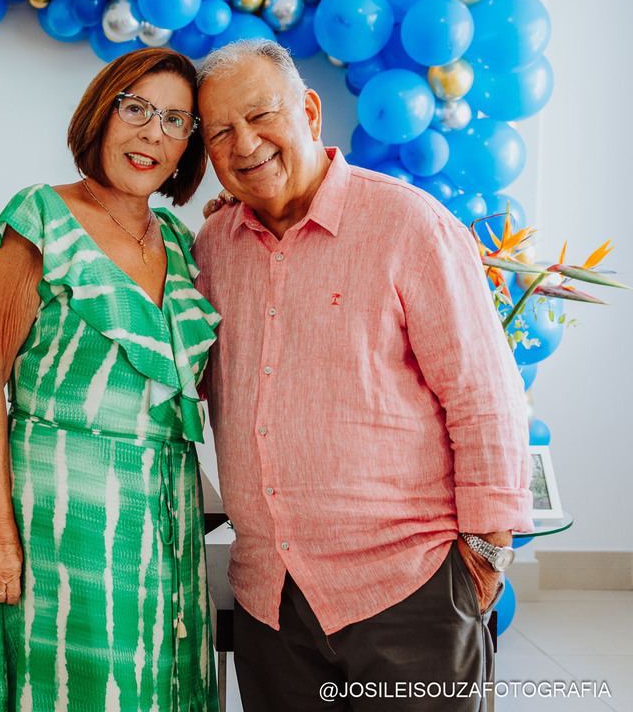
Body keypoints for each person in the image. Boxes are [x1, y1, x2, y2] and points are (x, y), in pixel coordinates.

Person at [192, 39, 532, 712]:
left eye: (260, 115)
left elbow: (484, 395)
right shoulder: (213, 249)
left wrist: (487, 552)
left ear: (309, 111)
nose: (244, 143)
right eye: (220, 132)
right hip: (271, 600)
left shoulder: (409, 223)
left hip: (409, 590)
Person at [0, 47, 223, 712]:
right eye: (136, 109)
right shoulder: (42, 216)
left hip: (169, 512)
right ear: (101, 115)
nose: (152, 133)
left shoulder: (180, 241)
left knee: (166, 685)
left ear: (188, 145)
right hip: (64, 515)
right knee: (79, 690)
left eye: (175, 120)